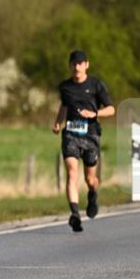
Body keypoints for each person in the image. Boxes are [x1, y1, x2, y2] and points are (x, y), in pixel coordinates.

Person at [52, 50, 115, 232]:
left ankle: (93, 193)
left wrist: (94, 114)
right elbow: (64, 106)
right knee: (72, 173)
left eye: (80, 63)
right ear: (70, 65)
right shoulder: (65, 87)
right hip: (71, 134)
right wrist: (57, 123)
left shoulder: (96, 85)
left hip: (91, 135)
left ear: (86, 65)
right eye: (73, 63)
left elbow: (111, 109)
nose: (76, 66)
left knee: (90, 178)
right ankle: (74, 214)